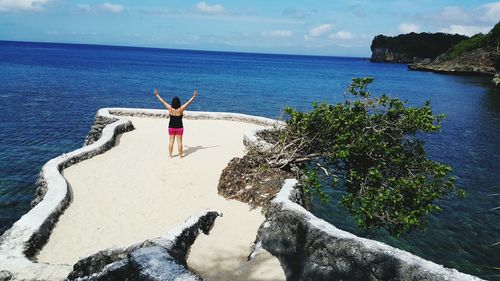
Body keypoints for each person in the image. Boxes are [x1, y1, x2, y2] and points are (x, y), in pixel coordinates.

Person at [154, 88, 198, 158]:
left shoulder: (170, 108)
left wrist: (157, 95)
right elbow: (189, 102)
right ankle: (180, 156)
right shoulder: (181, 109)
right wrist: (194, 96)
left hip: (171, 127)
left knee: (171, 141)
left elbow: (162, 101)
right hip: (179, 128)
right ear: (179, 102)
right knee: (179, 142)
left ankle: (170, 155)